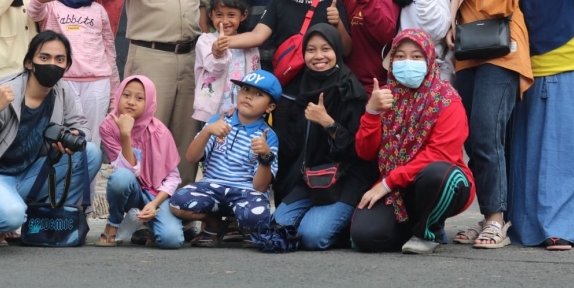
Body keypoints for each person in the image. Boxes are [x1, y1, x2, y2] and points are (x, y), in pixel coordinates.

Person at [0, 31, 103, 247]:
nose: (52, 64)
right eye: (44, 57)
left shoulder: (62, 90)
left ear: (67, 65)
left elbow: (79, 124)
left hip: (31, 173)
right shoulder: (7, 94)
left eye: (60, 59)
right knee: (11, 216)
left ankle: (55, 222)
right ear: (29, 62)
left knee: (90, 152)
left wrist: (75, 135)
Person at [445, 0, 532, 249]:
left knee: (485, 133)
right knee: (471, 137)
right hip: (468, 54)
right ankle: (487, 216)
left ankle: (497, 220)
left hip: (501, 52)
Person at [110, 0, 210, 185]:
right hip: (151, 56)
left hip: (191, 56)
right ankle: (143, 213)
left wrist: (207, 55)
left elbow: (204, 6)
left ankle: (182, 210)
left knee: (186, 135)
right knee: (145, 134)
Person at [350, 29, 475, 254]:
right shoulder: (384, 96)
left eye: (416, 57)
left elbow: (440, 154)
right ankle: (410, 227)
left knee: (437, 174)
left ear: (429, 60)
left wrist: (387, 183)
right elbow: (365, 152)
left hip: (437, 181)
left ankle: (428, 230)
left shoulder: (447, 100)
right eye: (400, 56)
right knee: (364, 237)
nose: (407, 62)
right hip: (397, 190)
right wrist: (371, 112)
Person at [507, 0, 574, 250]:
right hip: (525, 71)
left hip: (571, 68)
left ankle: (563, 228)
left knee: (565, 154)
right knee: (530, 155)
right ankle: (529, 227)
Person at [225, 0, 350, 141]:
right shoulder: (278, 4)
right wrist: (221, 42)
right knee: (284, 148)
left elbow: (346, 50)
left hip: (325, 96)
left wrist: (338, 24)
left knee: (320, 152)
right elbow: (258, 36)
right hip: (287, 97)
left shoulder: (332, 4)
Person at [272, 24, 373, 249]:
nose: (318, 56)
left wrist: (328, 123)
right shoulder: (302, 87)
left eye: (325, 49)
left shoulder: (350, 90)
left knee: (312, 237)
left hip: (346, 179)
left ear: (337, 51)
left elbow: (360, 150)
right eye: (311, 50)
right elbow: (291, 145)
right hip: (310, 179)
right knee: (276, 228)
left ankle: (343, 226)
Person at [170, 70, 281, 247]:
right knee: (177, 202)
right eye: (245, 90)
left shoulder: (268, 136)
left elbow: (259, 187)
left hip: (245, 192)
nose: (248, 97)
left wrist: (265, 156)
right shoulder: (219, 120)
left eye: (258, 94)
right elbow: (191, 157)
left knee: (258, 214)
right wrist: (207, 131)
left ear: (270, 107)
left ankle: (245, 229)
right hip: (211, 187)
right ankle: (214, 223)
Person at [27, 0, 119, 147]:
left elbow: (109, 52)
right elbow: (34, 13)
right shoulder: (50, 5)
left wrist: (115, 95)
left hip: (97, 85)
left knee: (90, 143)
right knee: (57, 140)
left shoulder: (98, 10)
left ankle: (87, 180)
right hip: (61, 81)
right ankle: (59, 179)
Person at [97, 75, 184, 249]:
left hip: (155, 195)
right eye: (126, 95)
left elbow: (173, 178)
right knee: (121, 177)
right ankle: (113, 224)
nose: (131, 102)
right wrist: (125, 135)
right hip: (131, 192)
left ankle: (151, 225)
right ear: (118, 96)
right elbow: (125, 172)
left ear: (149, 103)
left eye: (139, 98)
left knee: (171, 240)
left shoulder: (159, 131)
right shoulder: (109, 127)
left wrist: (154, 204)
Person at [193, 0, 260, 123]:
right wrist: (217, 52)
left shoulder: (249, 43)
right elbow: (214, 68)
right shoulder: (205, 41)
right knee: (211, 142)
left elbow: (255, 75)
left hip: (241, 110)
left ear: (243, 15)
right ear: (210, 15)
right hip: (213, 110)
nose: (224, 21)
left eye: (231, 15)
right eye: (219, 15)